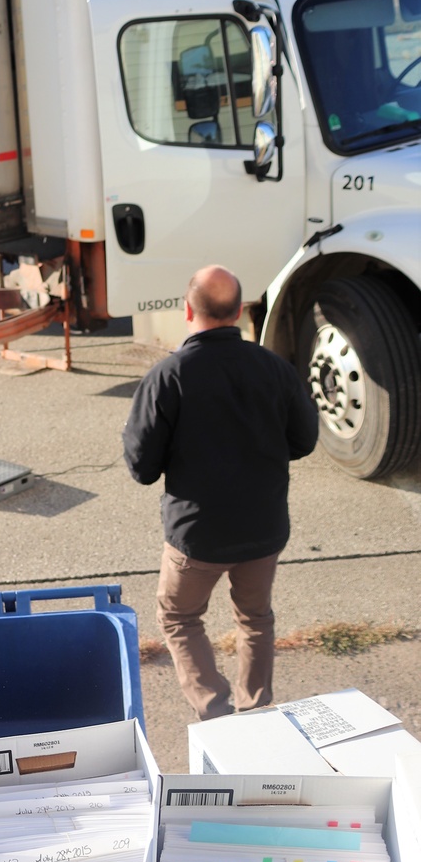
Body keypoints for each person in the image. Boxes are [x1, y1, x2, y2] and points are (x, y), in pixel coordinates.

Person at [122, 264, 318, 721]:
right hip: (263, 530)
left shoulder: (168, 377)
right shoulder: (275, 368)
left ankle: (214, 712)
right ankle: (256, 710)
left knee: (179, 617)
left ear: (188, 310)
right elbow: (304, 441)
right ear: (240, 311)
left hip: (197, 537)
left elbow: (142, 468)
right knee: (255, 618)